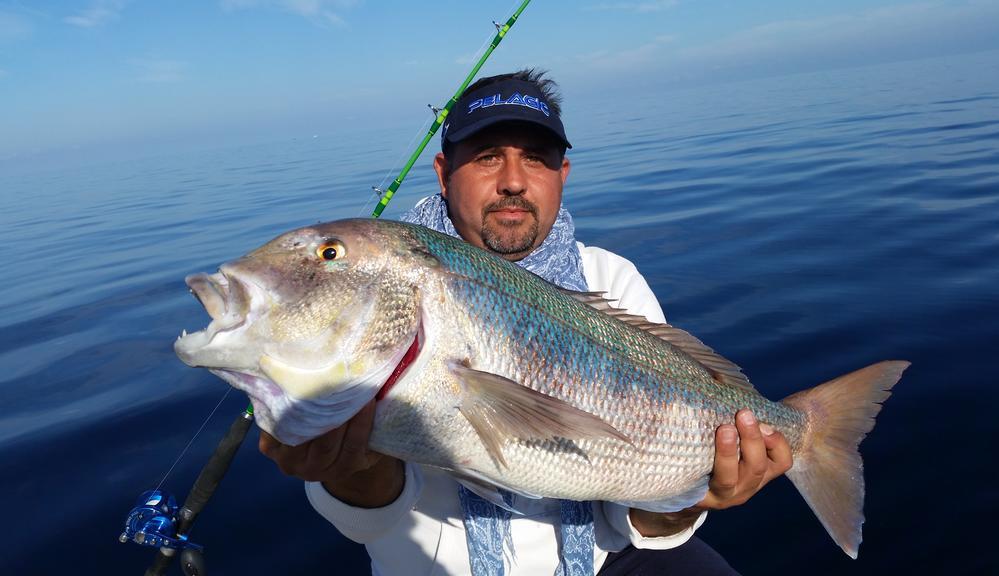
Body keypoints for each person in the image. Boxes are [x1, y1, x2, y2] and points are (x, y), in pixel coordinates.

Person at [259, 70, 793, 575]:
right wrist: (350, 466)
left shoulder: (611, 278)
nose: (513, 181)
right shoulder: (379, 287)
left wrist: (688, 502)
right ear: (444, 174)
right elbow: (370, 520)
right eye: (488, 157)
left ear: (562, 175)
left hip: (605, 561)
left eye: (536, 159)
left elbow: (636, 511)